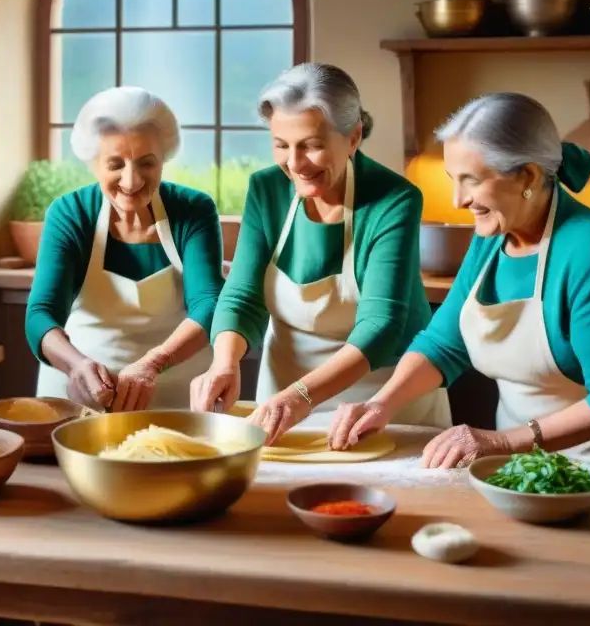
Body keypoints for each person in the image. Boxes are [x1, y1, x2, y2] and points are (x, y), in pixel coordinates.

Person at [328, 92, 590, 626]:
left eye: (470, 180)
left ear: (527, 175)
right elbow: (444, 343)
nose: (457, 201)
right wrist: (381, 403)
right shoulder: (492, 237)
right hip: (530, 462)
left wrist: (501, 441)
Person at [190, 62, 451, 442]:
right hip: (282, 405)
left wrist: (302, 395)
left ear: (354, 137)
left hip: (382, 404)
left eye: (311, 146)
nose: (294, 164)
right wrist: (224, 363)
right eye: (281, 145)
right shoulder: (266, 190)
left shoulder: (393, 199)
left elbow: (381, 324)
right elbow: (243, 296)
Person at [26, 86, 224, 411]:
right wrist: (75, 366)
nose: (131, 182)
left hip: (179, 398)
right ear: (93, 163)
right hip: (83, 399)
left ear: (164, 159)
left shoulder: (193, 209)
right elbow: (41, 314)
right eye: (115, 164)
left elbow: (209, 304)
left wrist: (155, 361)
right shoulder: (71, 213)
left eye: (147, 164)